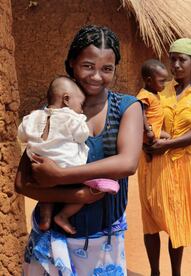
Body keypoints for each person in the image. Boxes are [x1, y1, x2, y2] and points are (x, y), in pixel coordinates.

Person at [14, 25, 143, 275]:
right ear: (71, 63)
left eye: (107, 69)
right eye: (87, 66)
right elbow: (22, 183)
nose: (96, 76)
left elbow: (127, 164)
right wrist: (76, 197)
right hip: (51, 242)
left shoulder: (127, 108)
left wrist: (60, 177)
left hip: (104, 245)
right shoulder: (51, 113)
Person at [139, 38, 191, 276]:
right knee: (150, 221)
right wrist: (149, 141)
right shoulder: (161, 88)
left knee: (176, 221)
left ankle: (176, 273)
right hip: (151, 163)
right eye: (173, 59)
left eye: (182, 59)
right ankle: (154, 272)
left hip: (180, 164)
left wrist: (167, 145)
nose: (176, 64)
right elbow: (143, 114)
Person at [17, 76, 120, 235]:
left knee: (46, 195)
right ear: (66, 99)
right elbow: (82, 135)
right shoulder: (72, 117)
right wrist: (82, 120)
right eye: (80, 104)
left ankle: (45, 219)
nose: (81, 109)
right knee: (84, 192)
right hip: (67, 169)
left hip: (40, 170)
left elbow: (22, 134)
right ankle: (63, 216)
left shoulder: (33, 117)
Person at [136, 59, 171, 149]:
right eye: (161, 81)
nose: (164, 84)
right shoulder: (145, 95)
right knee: (168, 138)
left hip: (155, 131)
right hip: (150, 132)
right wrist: (148, 130)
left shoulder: (155, 94)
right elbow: (140, 113)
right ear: (149, 81)